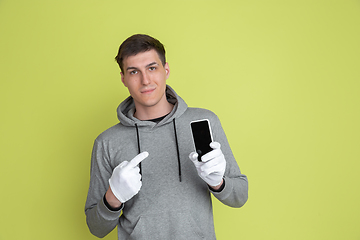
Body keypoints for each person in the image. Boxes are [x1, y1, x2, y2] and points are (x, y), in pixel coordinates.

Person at [85, 34, 248, 240]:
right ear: (123, 79)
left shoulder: (203, 122)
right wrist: (113, 198)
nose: (145, 80)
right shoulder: (107, 142)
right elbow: (96, 228)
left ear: (166, 70)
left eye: (152, 68)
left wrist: (218, 183)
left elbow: (240, 196)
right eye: (134, 72)